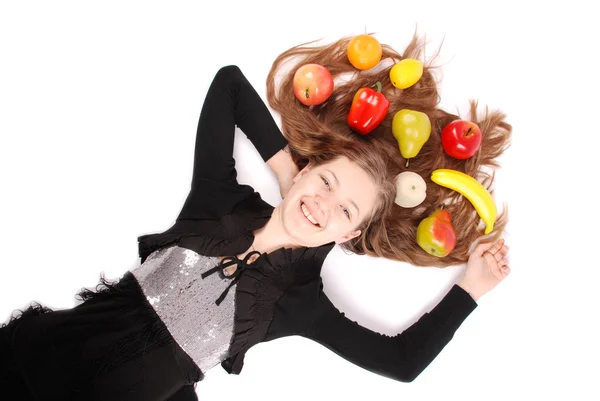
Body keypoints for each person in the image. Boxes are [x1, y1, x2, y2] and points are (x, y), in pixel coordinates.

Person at [0, 35, 511, 401]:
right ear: (309, 169)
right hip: (33, 361)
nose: (324, 204)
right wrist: (286, 171)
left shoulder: (302, 303)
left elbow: (401, 364)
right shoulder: (219, 202)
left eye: (346, 210)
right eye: (326, 182)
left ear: (351, 232)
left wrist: (471, 290)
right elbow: (228, 85)